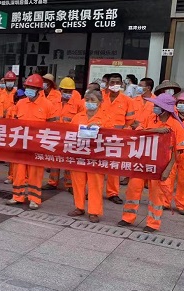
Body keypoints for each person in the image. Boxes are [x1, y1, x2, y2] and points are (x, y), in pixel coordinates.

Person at [118, 94, 181, 232]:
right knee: (133, 189)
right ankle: (128, 218)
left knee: (156, 194)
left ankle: (153, 223)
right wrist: (156, 130)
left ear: (165, 109)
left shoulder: (175, 125)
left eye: (157, 106)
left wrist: (168, 169)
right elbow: (138, 133)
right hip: (142, 161)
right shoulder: (149, 118)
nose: (154, 107)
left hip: (161, 165)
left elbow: (177, 151)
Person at [7, 73, 58, 209]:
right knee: (19, 171)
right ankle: (17, 196)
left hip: (37, 146)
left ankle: (34, 199)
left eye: (32, 87)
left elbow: (53, 127)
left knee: (35, 173)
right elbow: (15, 122)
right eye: (27, 87)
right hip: (21, 144)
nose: (28, 89)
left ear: (39, 89)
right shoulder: (21, 103)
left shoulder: (48, 105)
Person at [68, 90, 112, 223]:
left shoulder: (106, 118)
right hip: (79, 155)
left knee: (95, 184)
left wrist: (99, 129)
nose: (89, 103)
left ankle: (94, 211)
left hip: (96, 157)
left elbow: (111, 137)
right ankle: (79, 207)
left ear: (100, 102)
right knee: (78, 182)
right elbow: (69, 134)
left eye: (93, 100)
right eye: (87, 100)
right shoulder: (78, 116)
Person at [44, 77, 84, 192]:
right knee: (54, 160)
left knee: (69, 162)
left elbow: (82, 118)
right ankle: (52, 182)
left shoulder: (78, 104)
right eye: (65, 91)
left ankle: (69, 184)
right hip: (55, 135)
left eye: (70, 91)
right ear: (60, 90)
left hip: (70, 137)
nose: (67, 93)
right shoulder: (53, 102)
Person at [101, 73, 135, 204]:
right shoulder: (99, 97)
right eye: (112, 82)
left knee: (114, 167)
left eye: (117, 82)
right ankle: (94, 191)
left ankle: (113, 193)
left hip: (117, 139)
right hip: (99, 137)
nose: (115, 85)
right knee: (96, 166)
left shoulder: (127, 101)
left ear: (121, 84)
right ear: (107, 83)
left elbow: (130, 121)